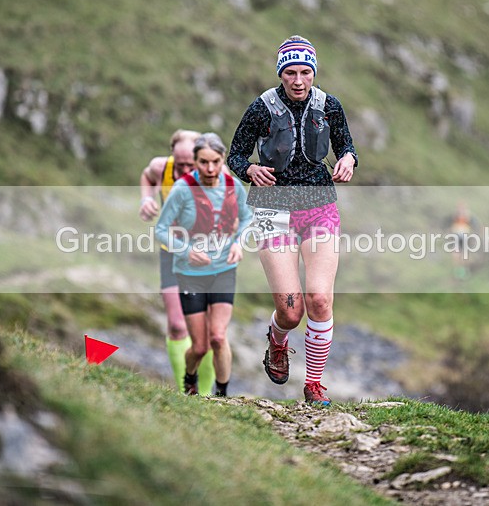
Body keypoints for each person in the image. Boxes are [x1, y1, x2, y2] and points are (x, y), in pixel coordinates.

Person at [227, 35, 357, 406]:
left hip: (319, 205)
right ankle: (277, 340)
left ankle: (314, 385)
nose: (298, 80)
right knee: (291, 309)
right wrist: (249, 168)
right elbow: (235, 155)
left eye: (305, 72)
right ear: (280, 73)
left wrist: (349, 159)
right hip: (271, 209)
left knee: (319, 298)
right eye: (290, 72)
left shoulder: (329, 105)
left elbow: (346, 145)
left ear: (313, 73)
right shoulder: (261, 108)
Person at [155, 132, 252, 396]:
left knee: (218, 337)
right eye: (203, 163)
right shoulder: (182, 190)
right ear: (195, 162)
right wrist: (186, 251)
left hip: (223, 270)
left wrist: (238, 243)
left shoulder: (234, 186)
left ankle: (222, 394)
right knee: (199, 347)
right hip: (190, 274)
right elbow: (161, 230)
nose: (210, 169)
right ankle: (190, 378)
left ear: (223, 160)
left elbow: (247, 218)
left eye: (216, 162)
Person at [139, 129, 215, 395]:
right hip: (171, 252)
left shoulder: (213, 170)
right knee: (176, 325)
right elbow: (147, 178)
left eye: (189, 163)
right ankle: (187, 391)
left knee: (204, 332)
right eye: (179, 163)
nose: (184, 169)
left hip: (204, 255)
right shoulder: (161, 167)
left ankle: (205, 395)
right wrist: (147, 199)